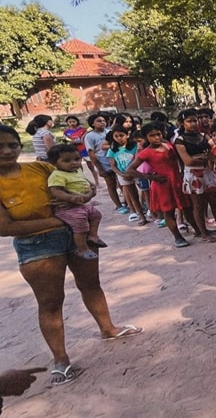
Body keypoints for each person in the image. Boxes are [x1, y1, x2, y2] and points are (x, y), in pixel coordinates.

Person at [0, 124, 142, 386]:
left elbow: (74, 181)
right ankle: (61, 358)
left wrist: (86, 193)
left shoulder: (39, 168)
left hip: (76, 232)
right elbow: (5, 227)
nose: (8, 151)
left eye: (12, 145)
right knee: (50, 302)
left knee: (91, 284)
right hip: (37, 244)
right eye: (0, 147)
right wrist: (61, 220)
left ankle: (108, 329)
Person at [127, 122, 191, 247]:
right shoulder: (146, 152)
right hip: (163, 185)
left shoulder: (168, 145)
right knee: (169, 211)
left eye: (158, 134)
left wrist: (182, 172)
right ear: (146, 137)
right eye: (152, 135)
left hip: (177, 181)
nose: (156, 137)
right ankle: (177, 237)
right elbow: (130, 169)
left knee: (187, 207)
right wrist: (150, 177)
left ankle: (199, 231)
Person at [46, 144, 104, 259]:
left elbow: (82, 180)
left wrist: (90, 185)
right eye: (67, 160)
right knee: (80, 223)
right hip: (68, 208)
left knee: (96, 215)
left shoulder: (77, 171)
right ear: (54, 163)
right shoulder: (57, 175)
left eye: (77, 159)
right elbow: (55, 190)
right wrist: (70, 198)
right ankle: (82, 248)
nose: (74, 163)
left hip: (81, 204)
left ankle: (93, 236)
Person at [174, 109, 216, 241]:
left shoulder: (204, 136)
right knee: (198, 205)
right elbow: (187, 161)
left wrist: (200, 157)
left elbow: (214, 151)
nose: (193, 124)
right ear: (182, 123)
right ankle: (204, 233)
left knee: (214, 202)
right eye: (189, 121)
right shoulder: (180, 140)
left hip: (207, 172)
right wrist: (206, 157)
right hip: (193, 175)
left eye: (195, 120)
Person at [84, 113, 125, 213]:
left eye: (103, 121)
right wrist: (100, 168)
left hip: (115, 161)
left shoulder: (109, 132)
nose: (103, 122)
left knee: (121, 183)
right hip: (103, 163)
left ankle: (126, 201)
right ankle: (119, 205)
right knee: (111, 184)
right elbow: (91, 153)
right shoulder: (90, 136)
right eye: (99, 121)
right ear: (92, 124)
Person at [107, 127, 148, 225]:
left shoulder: (134, 146)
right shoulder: (112, 150)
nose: (119, 138)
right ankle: (142, 217)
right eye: (116, 136)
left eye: (121, 135)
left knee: (146, 192)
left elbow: (137, 159)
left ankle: (153, 212)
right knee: (133, 197)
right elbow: (113, 165)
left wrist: (131, 172)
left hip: (137, 172)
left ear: (127, 135)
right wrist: (121, 174)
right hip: (123, 175)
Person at [62, 115, 98, 186]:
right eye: (70, 122)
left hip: (84, 150)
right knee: (79, 168)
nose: (72, 123)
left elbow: (85, 139)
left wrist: (78, 141)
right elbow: (65, 140)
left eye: (73, 121)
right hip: (75, 151)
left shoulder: (83, 130)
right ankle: (83, 182)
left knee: (91, 166)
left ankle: (97, 182)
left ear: (77, 121)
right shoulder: (66, 132)